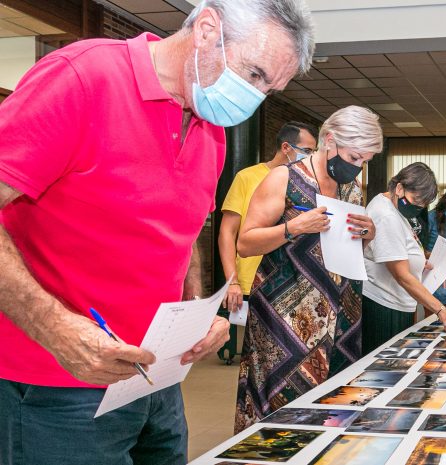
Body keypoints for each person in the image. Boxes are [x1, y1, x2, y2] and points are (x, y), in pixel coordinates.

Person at [0, 0, 314, 463]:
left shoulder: (212, 126)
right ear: (207, 29)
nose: (256, 96)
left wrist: (194, 308)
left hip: (154, 378)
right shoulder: (83, 78)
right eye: (254, 74)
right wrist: (55, 326)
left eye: (271, 88)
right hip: (57, 383)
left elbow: (182, 233)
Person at [234, 105, 382, 432]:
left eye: (365, 161)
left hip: (341, 310)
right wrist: (295, 227)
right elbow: (245, 243)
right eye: (355, 157)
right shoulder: (283, 178)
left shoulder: (351, 189)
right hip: (286, 313)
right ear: (330, 140)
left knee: (335, 402)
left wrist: (367, 235)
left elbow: (348, 244)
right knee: (282, 406)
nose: (358, 168)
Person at [362, 163, 446, 354]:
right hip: (385, 304)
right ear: (399, 188)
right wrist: (441, 310)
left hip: (396, 301)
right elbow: (402, 275)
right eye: (416, 201)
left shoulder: (393, 206)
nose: (419, 208)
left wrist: (418, 261)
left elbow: (399, 248)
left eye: (423, 204)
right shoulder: (386, 215)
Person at [219, 121, 318, 314]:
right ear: (286, 147)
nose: (310, 157)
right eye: (307, 151)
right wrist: (232, 281)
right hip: (250, 282)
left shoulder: (308, 183)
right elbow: (227, 232)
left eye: (314, 152)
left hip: (293, 281)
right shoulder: (247, 177)